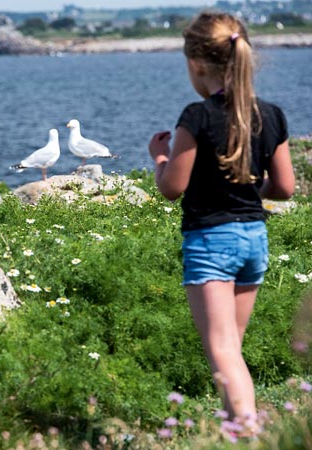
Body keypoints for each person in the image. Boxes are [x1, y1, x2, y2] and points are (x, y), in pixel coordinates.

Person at [147, 11, 295, 435]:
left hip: (212, 241)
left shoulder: (196, 116)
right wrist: (247, 187)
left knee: (223, 348)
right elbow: (284, 187)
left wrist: (159, 157)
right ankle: (235, 429)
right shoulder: (271, 114)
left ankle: (249, 434)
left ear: (196, 64)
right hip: (254, 240)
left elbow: (173, 187)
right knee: (232, 349)